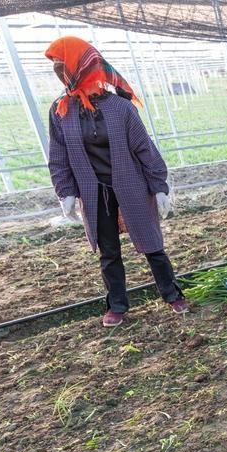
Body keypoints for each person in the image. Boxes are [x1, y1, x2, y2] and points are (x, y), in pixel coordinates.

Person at [44, 36, 190, 327]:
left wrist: (160, 185)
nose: (62, 76)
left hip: (131, 185)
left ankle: (172, 294)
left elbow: (143, 147)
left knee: (152, 245)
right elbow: (58, 155)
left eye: (64, 69)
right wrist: (66, 193)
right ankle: (117, 305)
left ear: (81, 69)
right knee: (109, 252)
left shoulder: (120, 108)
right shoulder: (61, 111)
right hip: (94, 191)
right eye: (58, 72)